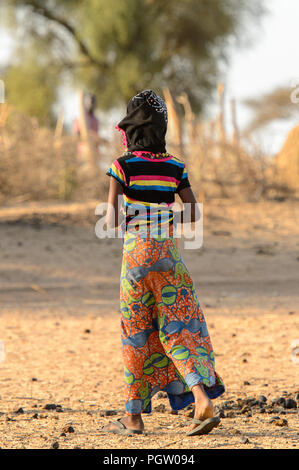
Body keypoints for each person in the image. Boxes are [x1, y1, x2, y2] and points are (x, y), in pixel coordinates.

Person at [102, 90, 225, 437]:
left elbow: (110, 220)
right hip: (169, 258)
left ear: (130, 128)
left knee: (136, 333)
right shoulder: (175, 166)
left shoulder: (121, 165)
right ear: (162, 128)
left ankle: (134, 417)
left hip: (136, 261)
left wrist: (133, 210)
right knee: (179, 328)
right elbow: (193, 212)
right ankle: (200, 397)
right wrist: (164, 213)